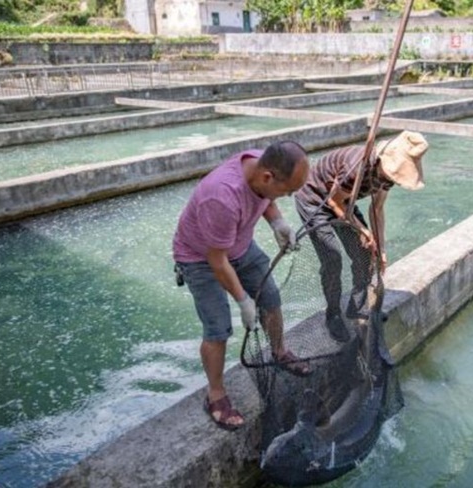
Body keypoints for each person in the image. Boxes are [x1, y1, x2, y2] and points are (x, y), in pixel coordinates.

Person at [173, 141, 311, 431]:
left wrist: (278, 222)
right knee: (218, 327)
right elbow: (217, 261)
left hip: (239, 244)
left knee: (270, 297)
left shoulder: (262, 164)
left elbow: (265, 198)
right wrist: (243, 301)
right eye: (287, 191)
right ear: (268, 177)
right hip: (200, 257)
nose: (287, 196)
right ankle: (215, 394)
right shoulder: (221, 197)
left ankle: (279, 352)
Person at [294, 130, 429, 343]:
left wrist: (381, 248)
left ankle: (356, 307)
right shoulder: (356, 168)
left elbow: (377, 209)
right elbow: (334, 202)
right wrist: (363, 231)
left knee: (366, 254)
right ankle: (333, 314)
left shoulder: (386, 176)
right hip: (316, 200)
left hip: (345, 201)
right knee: (332, 259)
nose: (391, 178)